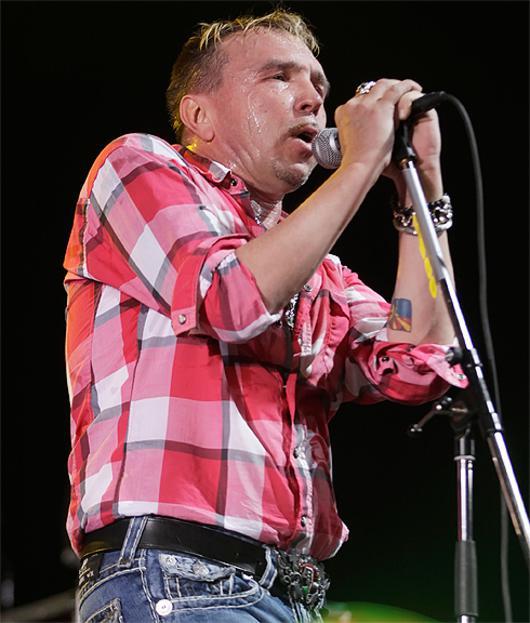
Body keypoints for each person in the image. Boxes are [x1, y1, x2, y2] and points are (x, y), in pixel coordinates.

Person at [63, 8, 467, 623]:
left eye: (319, 85)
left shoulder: (319, 271)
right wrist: (360, 166)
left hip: (289, 594)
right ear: (199, 115)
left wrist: (422, 192)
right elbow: (231, 298)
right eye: (280, 77)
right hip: (175, 577)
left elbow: (417, 363)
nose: (313, 100)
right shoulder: (137, 166)